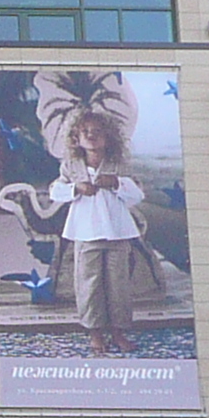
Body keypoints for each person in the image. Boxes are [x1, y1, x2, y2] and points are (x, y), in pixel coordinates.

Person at [48, 110, 151, 357]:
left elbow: (137, 194)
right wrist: (75, 188)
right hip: (86, 233)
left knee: (118, 284)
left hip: (117, 233)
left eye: (97, 131)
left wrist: (117, 184)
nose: (91, 136)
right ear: (76, 137)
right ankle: (95, 331)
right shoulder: (71, 166)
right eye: (85, 131)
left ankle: (118, 331)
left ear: (108, 136)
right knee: (88, 283)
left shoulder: (119, 165)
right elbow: (55, 191)